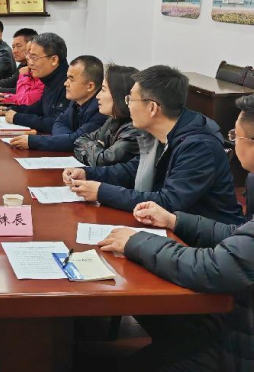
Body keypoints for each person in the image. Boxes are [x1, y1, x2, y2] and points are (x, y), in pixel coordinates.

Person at [97, 93, 254, 372]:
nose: (232, 143)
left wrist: (136, 241)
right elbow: (240, 235)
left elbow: (215, 267)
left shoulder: (198, 144)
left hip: (240, 343)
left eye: (235, 136)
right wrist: (175, 221)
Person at [64, 65, 244, 225]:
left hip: (209, 238)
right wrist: (88, 173)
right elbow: (132, 170)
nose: (128, 106)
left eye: (130, 99)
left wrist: (101, 192)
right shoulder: (160, 132)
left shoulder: (199, 147)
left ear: (152, 108)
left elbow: (168, 202)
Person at [9, 55, 107, 151]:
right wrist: (67, 139)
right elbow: (59, 123)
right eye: (67, 78)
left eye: (71, 79)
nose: (66, 83)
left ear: (90, 86)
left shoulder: (101, 109)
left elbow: (79, 141)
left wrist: (33, 141)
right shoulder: (76, 101)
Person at [0, 32, 70, 133]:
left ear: (54, 60)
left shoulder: (68, 84)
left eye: (34, 58)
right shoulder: (50, 78)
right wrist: (13, 109)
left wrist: (18, 117)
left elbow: (58, 123)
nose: (30, 63)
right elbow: (39, 108)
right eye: (29, 57)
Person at [74, 64, 143, 166]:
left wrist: (95, 146)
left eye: (103, 90)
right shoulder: (113, 120)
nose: (97, 96)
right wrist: (97, 147)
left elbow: (103, 161)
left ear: (119, 95)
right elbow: (80, 140)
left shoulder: (134, 130)